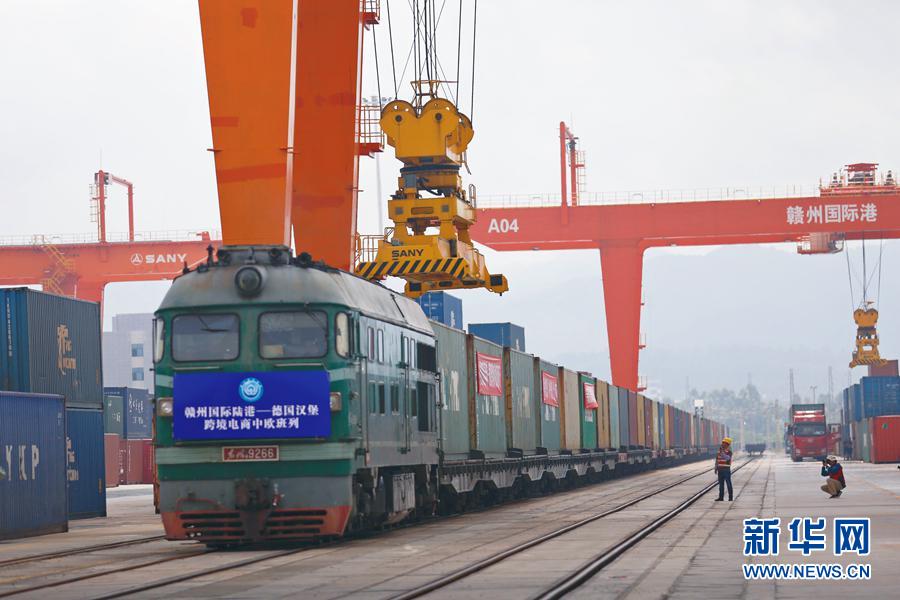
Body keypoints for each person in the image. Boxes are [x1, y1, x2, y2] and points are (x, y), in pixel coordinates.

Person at [714, 437, 733, 501]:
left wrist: (722, 452)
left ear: (727, 444)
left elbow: (727, 458)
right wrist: (716, 467)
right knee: (721, 485)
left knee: (728, 484)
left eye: (724, 443)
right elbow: (717, 459)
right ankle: (721, 497)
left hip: (726, 470)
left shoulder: (729, 451)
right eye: (722, 442)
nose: (722, 444)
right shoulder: (719, 451)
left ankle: (730, 497)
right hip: (720, 469)